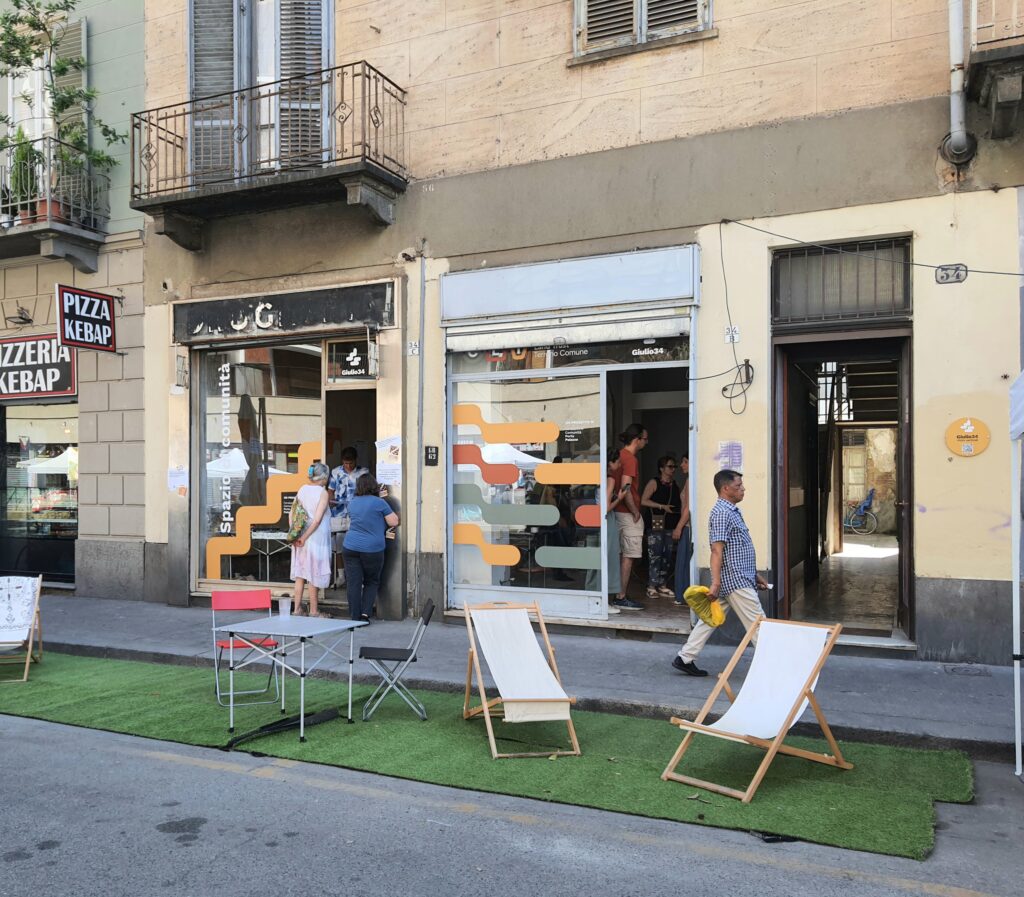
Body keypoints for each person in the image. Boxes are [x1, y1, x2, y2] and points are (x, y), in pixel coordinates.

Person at [672, 469, 769, 676]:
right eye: (738, 486)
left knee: (709, 618)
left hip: (737, 576)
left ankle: (685, 657)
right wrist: (715, 582)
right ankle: (772, 667)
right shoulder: (722, 513)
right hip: (735, 579)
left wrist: (754, 574)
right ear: (725, 489)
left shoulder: (731, 510)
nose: (743, 489)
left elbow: (738, 548)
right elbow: (717, 550)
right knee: (758, 624)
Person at [342, 472, 400, 623]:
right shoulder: (379, 502)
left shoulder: (353, 502)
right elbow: (394, 522)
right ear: (374, 486)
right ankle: (365, 615)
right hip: (372, 549)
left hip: (350, 547)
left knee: (353, 583)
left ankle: (354, 616)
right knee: (371, 581)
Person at [612, 423, 648, 611]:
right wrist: (635, 511)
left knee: (618, 554)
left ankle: (615, 593)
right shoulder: (630, 459)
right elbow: (626, 487)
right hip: (626, 514)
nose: (646, 442)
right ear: (637, 439)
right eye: (645, 439)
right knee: (629, 556)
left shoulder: (618, 455)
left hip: (615, 511)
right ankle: (621, 596)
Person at [289, 462, 332, 617]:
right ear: (324, 477)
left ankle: (297, 609)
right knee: (314, 573)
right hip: (315, 539)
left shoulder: (302, 489)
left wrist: (296, 535)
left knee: (300, 574)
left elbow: (292, 513)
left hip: (300, 537)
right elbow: (317, 520)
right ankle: (314, 611)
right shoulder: (323, 493)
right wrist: (305, 537)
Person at [641, 454, 681, 599]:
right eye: (670, 466)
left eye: (674, 466)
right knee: (655, 554)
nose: (673, 469)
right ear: (661, 468)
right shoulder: (654, 482)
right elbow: (643, 501)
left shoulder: (674, 484)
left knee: (667, 555)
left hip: (670, 524)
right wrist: (662, 506)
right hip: (655, 522)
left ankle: (662, 585)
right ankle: (651, 586)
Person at [327, 447, 369, 546]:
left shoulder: (363, 472)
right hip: (339, 513)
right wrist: (331, 500)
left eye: (351, 463)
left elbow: (368, 492)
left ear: (356, 460)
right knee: (339, 545)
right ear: (342, 461)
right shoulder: (335, 472)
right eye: (346, 463)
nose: (349, 466)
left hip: (357, 513)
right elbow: (330, 490)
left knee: (356, 542)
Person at [672, 455, 693, 607]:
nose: (681, 465)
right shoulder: (690, 479)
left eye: (685, 461)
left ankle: (683, 595)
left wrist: (678, 527)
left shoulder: (690, 480)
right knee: (685, 562)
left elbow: (688, 508)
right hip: (688, 525)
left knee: (684, 562)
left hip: (687, 526)